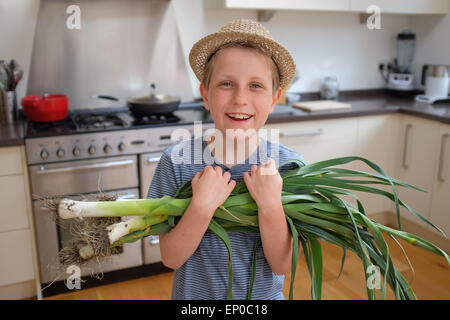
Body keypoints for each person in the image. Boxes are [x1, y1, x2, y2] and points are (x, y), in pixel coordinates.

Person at [147, 19, 306, 300]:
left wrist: (269, 205)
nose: (240, 98)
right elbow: (170, 258)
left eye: (256, 85)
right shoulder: (176, 161)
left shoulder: (289, 167)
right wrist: (201, 207)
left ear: (274, 99)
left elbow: (283, 264)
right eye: (227, 83)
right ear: (205, 94)